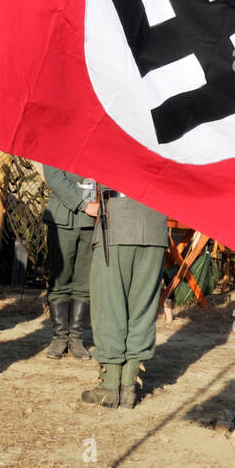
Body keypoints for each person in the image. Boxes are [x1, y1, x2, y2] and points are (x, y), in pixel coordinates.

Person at [81, 186, 169, 409]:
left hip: (118, 221)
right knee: (143, 309)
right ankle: (129, 388)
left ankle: (110, 387)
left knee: (109, 305)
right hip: (154, 223)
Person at [41, 166, 95, 360]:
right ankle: (59, 337)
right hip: (63, 214)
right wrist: (82, 203)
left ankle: (77, 338)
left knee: (84, 282)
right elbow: (54, 177)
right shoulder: (57, 137)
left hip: (93, 217)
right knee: (59, 278)